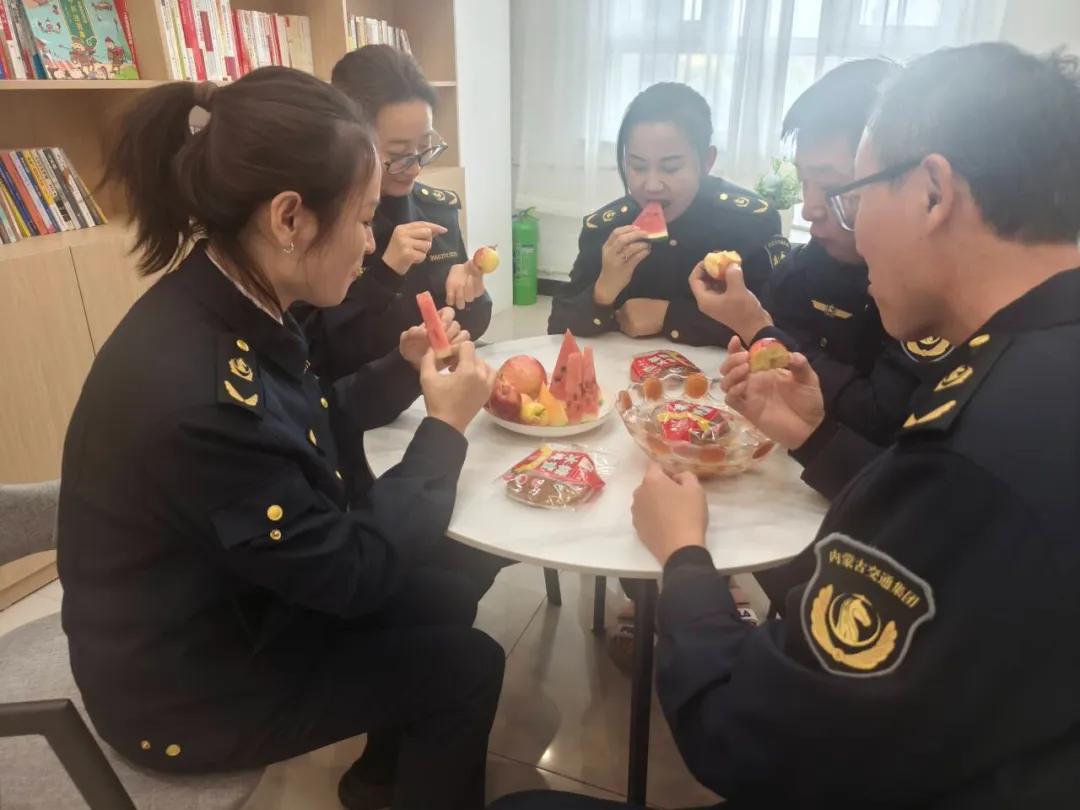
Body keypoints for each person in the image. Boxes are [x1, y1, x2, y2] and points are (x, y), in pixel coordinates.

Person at [491, 42, 1080, 809]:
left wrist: (687, 559)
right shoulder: (1029, 373)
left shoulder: (972, 457)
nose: (823, 219)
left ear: (933, 192)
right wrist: (817, 437)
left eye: (849, 195)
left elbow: (745, 739)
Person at [57, 69, 504, 810]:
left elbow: (314, 412)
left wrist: (402, 369)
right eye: (365, 218)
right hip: (181, 690)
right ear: (290, 218)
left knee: (445, 588)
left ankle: (381, 781)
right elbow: (351, 573)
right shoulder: (200, 398)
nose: (371, 243)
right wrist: (443, 430)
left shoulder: (231, 297)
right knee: (468, 666)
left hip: (235, 600)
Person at [295, 45, 491, 384]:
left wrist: (470, 294)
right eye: (399, 153)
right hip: (356, 403)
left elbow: (468, 326)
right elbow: (318, 352)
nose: (415, 168)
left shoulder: (437, 210)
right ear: (349, 140)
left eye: (424, 147)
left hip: (431, 393)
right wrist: (384, 274)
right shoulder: (314, 224)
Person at [548, 82, 790, 345]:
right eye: (638, 167)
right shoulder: (607, 228)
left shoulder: (750, 224)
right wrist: (603, 291)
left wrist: (669, 316)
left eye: (671, 168)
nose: (652, 185)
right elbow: (558, 326)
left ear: (707, 161)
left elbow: (776, 328)